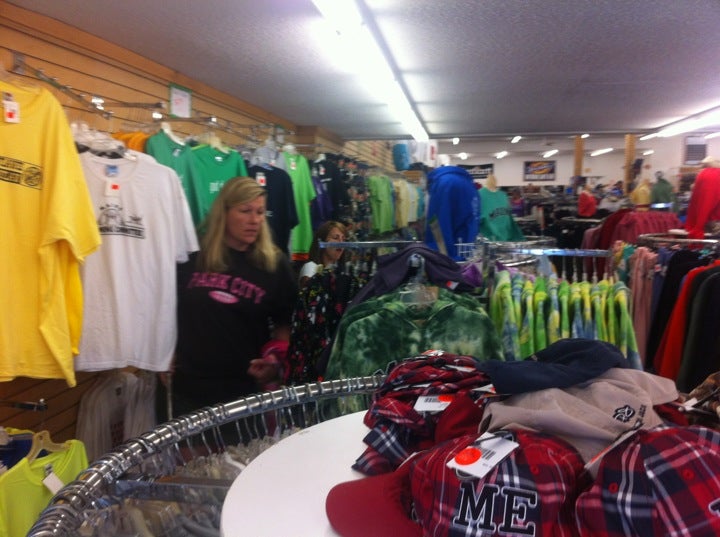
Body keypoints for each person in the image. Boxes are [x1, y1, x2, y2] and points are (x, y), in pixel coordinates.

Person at [165, 176, 298, 424]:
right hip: (190, 385)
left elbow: (286, 322)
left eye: (260, 212)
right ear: (224, 213)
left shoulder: (273, 264)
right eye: (245, 211)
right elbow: (169, 309)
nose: (255, 220)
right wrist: (164, 353)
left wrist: (275, 362)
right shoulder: (193, 256)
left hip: (244, 389)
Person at [299, 220, 348, 287]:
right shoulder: (310, 267)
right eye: (335, 238)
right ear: (322, 241)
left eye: (343, 239)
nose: (341, 243)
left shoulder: (339, 271)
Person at [685, 156, 720, 238]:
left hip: (704, 220)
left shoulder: (704, 175)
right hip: (713, 221)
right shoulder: (713, 174)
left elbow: (704, 203)